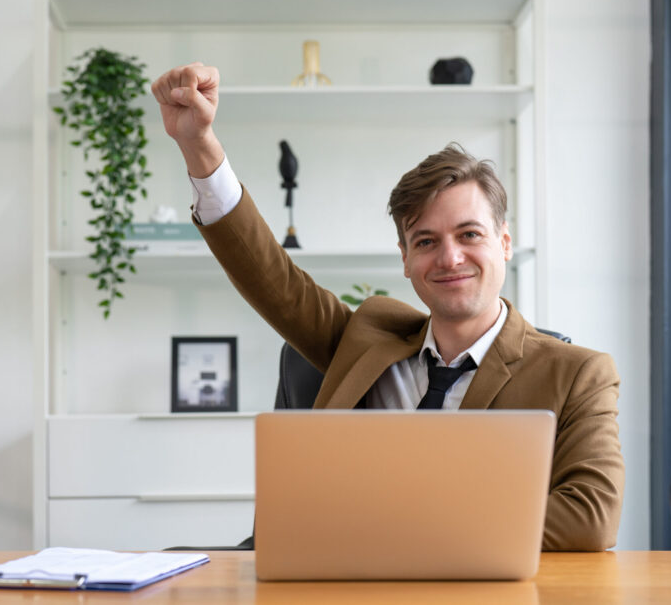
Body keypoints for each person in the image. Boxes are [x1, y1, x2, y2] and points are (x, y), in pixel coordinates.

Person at [151, 62, 624, 551]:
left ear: (504, 243)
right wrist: (198, 145)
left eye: (470, 235)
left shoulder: (577, 374)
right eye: (425, 241)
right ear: (405, 258)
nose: (450, 257)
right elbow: (271, 277)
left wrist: (405, 518)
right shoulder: (367, 339)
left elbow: (590, 517)